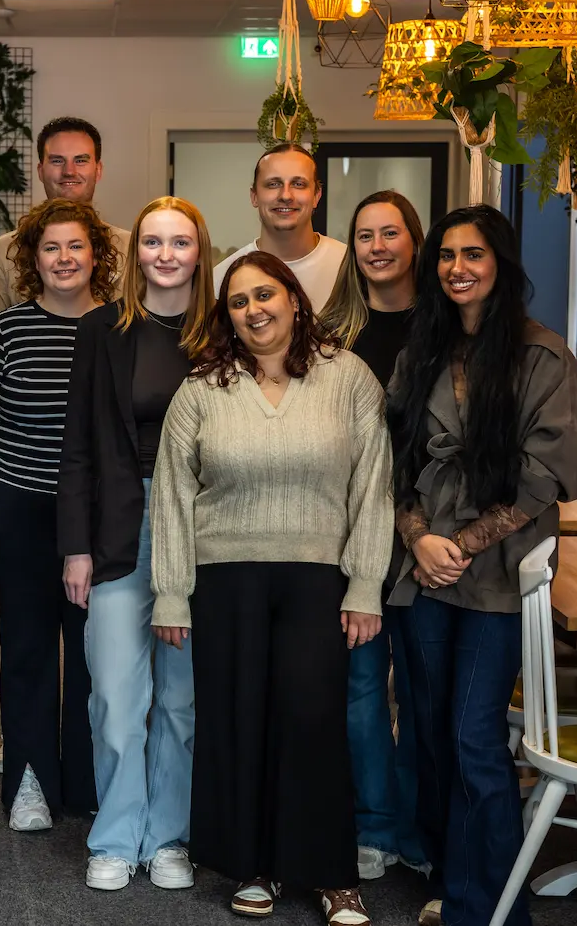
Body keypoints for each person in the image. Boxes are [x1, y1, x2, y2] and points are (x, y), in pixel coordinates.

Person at [151, 250, 391, 926]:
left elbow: (374, 483)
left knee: (313, 722)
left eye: (265, 295)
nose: (253, 310)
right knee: (236, 721)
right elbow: (171, 494)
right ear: (225, 315)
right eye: (238, 301)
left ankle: (331, 876)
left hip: (318, 577)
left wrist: (365, 583)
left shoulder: (348, 377)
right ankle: (252, 866)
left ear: (292, 297)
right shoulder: (202, 388)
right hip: (224, 577)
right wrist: (171, 591)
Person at [385, 205, 577, 926]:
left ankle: (490, 909)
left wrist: (463, 545)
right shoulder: (420, 352)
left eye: (472, 254)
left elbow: (546, 476)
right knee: (427, 730)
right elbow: (392, 460)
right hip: (423, 567)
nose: (457, 268)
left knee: (473, 736)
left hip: (500, 574)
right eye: (446, 256)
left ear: (500, 265)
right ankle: (452, 876)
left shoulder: (542, 357)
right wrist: (419, 538)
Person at [58, 196, 215, 892]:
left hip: (203, 530)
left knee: (180, 702)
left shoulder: (224, 329)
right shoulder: (102, 329)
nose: (165, 254)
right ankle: (116, 837)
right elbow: (77, 446)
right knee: (116, 699)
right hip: (119, 529)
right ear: (135, 253)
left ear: (199, 251)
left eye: (180, 242)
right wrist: (76, 547)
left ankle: (169, 837)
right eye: (153, 241)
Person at [0, 198, 117, 832]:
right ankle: (30, 779)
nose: (63, 259)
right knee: (27, 645)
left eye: (75, 246)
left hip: (97, 516)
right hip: (21, 509)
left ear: (96, 255)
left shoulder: (118, 328)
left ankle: (84, 781)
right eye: (50, 248)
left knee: (92, 649)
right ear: (33, 260)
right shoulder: (7, 328)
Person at [321, 190, 430, 881]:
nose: (378, 247)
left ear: (413, 241)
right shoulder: (334, 332)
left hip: (427, 535)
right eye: (365, 236)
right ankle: (375, 823)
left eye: (390, 233)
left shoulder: (445, 326)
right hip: (352, 530)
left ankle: (417, 829)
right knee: (360, 691)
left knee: (419, 690)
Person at [0, 116, 132, 321]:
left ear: (98, 169)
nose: (69, 171)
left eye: (81, 160)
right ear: (41, 171)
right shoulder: (3, 252)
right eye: (57, 161)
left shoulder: (131, 248)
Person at [211, 143, 348, 313]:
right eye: (273, 184)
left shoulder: (349, 266)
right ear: (254, 196)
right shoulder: (223, 279)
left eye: (298, 184)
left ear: (316, 196)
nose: (286, 195)